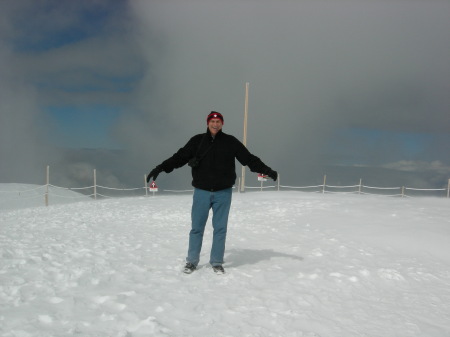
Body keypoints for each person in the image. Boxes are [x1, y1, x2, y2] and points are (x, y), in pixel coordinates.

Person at [146, 111, 277, 274]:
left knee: (220, 228)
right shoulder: (197, 141)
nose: (215, 124)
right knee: (197, 228)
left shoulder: (230, 142)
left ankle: (216, 262)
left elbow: (249, 159)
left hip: (223, 192)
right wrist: (161, 168)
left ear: (222, 124)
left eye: (218, 121)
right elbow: (179, 157)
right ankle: (192, 262)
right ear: (207, 123)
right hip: (202, 191)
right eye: (213, 121)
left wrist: (267, 170)